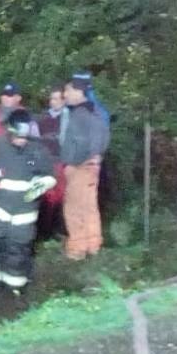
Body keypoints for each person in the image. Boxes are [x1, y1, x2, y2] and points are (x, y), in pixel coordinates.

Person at [0, 109, 57, 295]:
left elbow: (49, 178)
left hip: (25, 210)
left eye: (24, 137)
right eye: (18, 136)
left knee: (18, 247)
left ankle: (15, 286)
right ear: (9, 130)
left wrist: (33, 192)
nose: (21, 140)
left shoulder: (38, 150)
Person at [60, 77, 110, 260]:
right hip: (92, 166)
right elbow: (103, 139)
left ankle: (77, 249)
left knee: (73, 208)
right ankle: (93, 246)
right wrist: (96, 158)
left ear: (78, 91)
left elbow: (80, 143)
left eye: (68, 90)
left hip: (80, 167)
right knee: (89, 207)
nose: (65, 94)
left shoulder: (79, 114)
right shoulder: (96, 112)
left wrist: (73, 163)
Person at [37, 84, 69, 238]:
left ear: (63, 100)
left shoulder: (68, 118)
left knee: (62, 198)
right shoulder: (42, 119)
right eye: (52, 99)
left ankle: (60, 230)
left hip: (62, 163)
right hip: (46, 163)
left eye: (57, 99)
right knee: (47, 198)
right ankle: (45, 232)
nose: (53, 102)